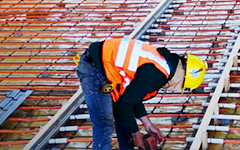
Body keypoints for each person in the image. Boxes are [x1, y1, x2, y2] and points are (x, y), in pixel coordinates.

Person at [75, 35, 208, 150]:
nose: (177, 89)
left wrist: (147, 125)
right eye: (182, 86)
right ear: (182, 76)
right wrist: (136, 134)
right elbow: (125, 103)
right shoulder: (157, 75)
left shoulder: (164, 63)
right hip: (94, 68)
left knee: (123, 118)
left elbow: (132, 96)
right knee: (104, 125)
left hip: (103, 65)